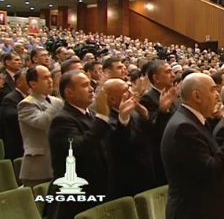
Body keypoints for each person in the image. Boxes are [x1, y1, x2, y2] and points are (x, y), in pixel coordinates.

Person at [161, 73, 224, 219]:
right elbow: (211, 171)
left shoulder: (195, 121)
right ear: (197, 96)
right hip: (195, 211)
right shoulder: (184, 127)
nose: (218, 96)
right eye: (213, 90)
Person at [48, 70, 130, 219]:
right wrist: (103, 117)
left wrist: (123, 119)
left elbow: (114, 144)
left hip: (101, 190)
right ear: (69, 93)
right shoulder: (62, 120)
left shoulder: (91, 115)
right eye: (85, 85)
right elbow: (78, 148)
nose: (91, 88)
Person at [18, 66, 64, 187]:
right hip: (38, 168)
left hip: (57, 162)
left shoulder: (56, 101)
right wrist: (59, 98)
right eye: (45, 78)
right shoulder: (26, 104)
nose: (50, 80)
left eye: (50, 76)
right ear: (33, 84)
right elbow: (43, 123)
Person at [0, 68, 28, 160]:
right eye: (28, 79)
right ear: (19, 83)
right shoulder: (10, 99)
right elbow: (11, 117)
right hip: (17, 147)